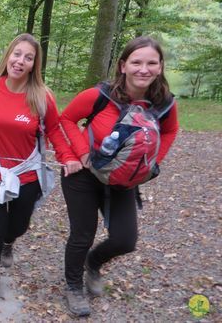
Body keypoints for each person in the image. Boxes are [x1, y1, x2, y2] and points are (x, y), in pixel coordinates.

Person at [59, 36, 179, 317]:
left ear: (160, 67)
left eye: (151, 62)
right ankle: (74, 286)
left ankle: (93, 263)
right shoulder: (99, 96)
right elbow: (65, 120)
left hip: (125, 180)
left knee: (125, 240)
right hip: (85, 176)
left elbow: (171, 131)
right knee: (82, 234)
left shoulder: (164, 104)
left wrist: (153, 163)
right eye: (136, 62)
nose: (143, 69)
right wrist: (81, 156)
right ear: (123, 65)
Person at [0, 33, 82, 300]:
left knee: (18, 226)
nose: (20, 61)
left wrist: (67, 157)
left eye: (28, 58)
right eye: (17, 54)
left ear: (34, 65)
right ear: (8, 55)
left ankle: (9, 242)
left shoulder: (41, 95)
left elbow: (53, 129)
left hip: (27, 169)